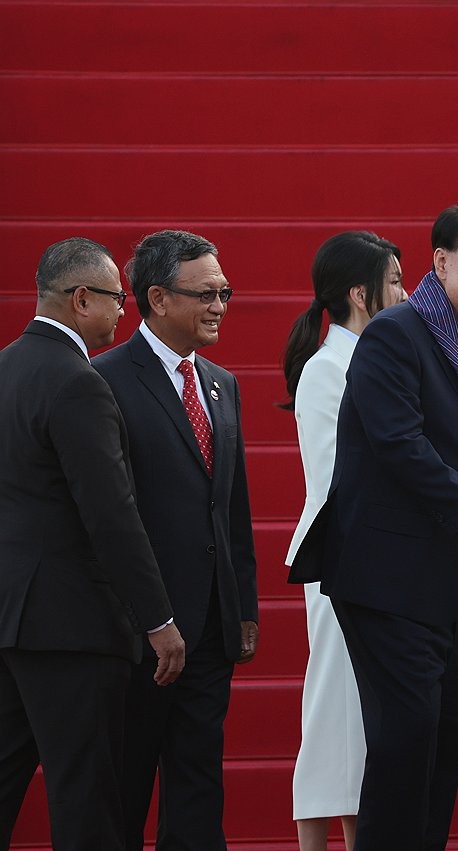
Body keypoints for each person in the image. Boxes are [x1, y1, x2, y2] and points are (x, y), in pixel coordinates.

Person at [311, 197, 458, 851]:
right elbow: (401, 446)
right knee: (402, 753)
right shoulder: (399, 332)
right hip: (392, 585)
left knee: (439, 761)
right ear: (440, 262)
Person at [0, 238, 185, 850]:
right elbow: (111, 514)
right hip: (72, 624)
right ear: (81, 299)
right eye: (115, 299)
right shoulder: (78, 382)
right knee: (85, 795)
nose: (123, 314)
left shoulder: (6, 367)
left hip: (10, 620)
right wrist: (158, 616)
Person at [93, 230, 259, 850]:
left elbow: (232, 505)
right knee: (126, 786)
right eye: (208, 293)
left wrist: (243, 605)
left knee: (197, 787)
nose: (221, 305)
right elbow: (107, 513)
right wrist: (144, 615)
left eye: (226, 292)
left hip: (210, 628)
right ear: (157, 298)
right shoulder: (104, 379)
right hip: (137, 630)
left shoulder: (221, 382)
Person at [281, 232, 406, 851]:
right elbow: (339, 479)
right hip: (344, 559)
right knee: (338, 712)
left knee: (351, 717)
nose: (406, 295)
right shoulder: (330, 369)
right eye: (396, 281)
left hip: (371, 560)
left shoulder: (360, 361)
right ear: (362, 294)